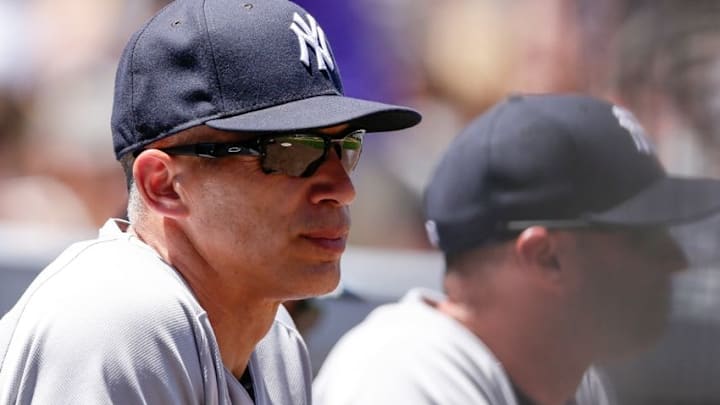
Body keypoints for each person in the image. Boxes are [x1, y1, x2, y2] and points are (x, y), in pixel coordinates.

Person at [0, 0, 420, 403]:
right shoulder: (114, 319)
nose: (342, 189)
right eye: (292, 152)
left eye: (345, 147)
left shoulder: (276, 343)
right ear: (163, 185)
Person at [313, 94, 720, 405]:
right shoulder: (400, 377)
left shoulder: (575, 381)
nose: (676, 260)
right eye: (643, 238)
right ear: (546, 257)